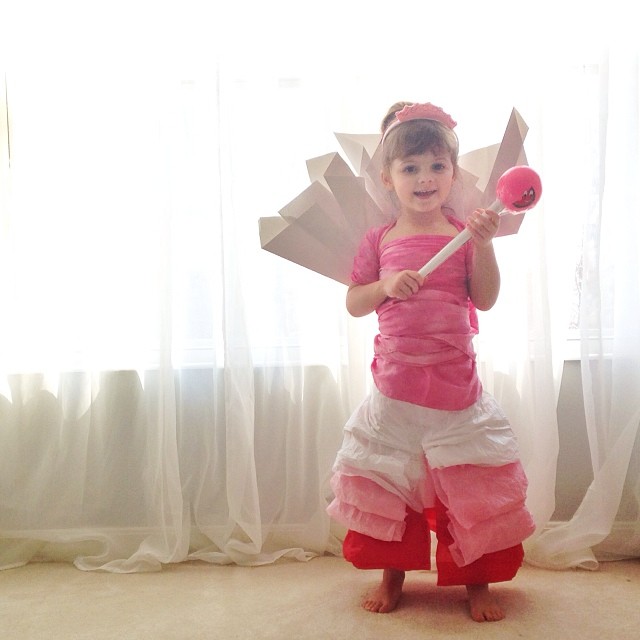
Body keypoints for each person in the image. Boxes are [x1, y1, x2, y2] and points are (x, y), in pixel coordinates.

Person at [326, 101, 535, 623]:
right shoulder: (379, 240)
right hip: (395, 390)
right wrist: (385, 285)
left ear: (453, 173)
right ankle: (392, 576)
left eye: (438, 166)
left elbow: (484, 298)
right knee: (393, 485)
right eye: (411, 167)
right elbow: (354, 302)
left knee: (469, 487)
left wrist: (484, 246)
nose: (425, 178)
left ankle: (477, 583)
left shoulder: (464, 233)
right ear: (388, 178)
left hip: (455, 389)